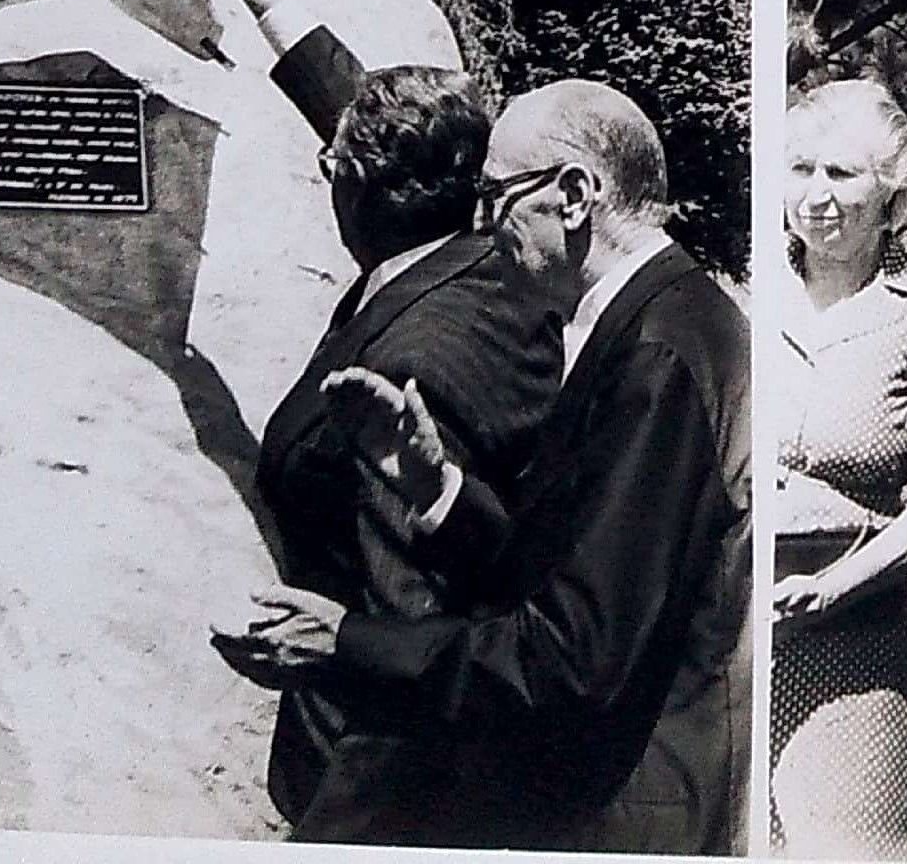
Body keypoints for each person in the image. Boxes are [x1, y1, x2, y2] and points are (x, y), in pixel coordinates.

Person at [214, 75, 752, 854]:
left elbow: (571, 661)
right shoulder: (657, 322)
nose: (481, 224)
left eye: (496, 196)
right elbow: (574, 578)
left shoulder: (658, 353)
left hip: (629, 813)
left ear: (574, 196)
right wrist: (439, 492)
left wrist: (345, 643)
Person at [193, 0, 562, 843]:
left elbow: (412, 623)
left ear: (360, 191)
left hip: (378, 779)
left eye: (336, 168)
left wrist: (337, 831)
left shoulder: (409, 367)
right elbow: (369, 120)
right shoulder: (477, 259)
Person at [771, 76, 907, 859]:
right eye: (801, 171)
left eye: (842, 174)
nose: (818, 197)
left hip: (855, 645)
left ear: (892, 192)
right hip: (736, 635)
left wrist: (838, 584)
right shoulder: (751, 292)